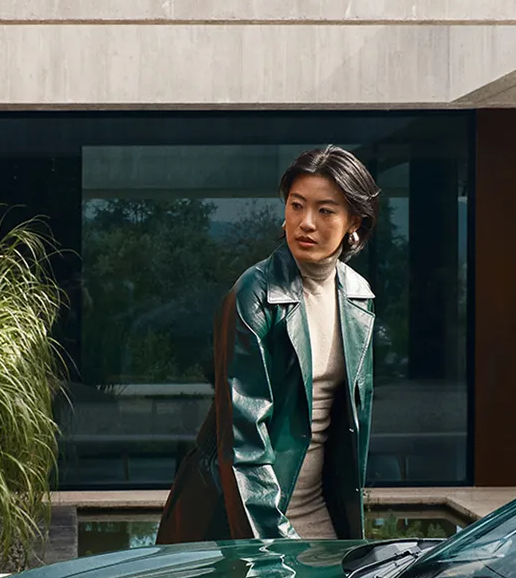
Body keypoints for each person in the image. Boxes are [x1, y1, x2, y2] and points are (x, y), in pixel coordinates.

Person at [157, 147, 380, 545]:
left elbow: (351, 431)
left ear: (354, 222)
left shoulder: (358, 297)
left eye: (325, 211)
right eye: (297, 205)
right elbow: (243, 441)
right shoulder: (254, 294)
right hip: (243, 517)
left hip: (319, 511)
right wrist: (272, 546)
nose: (306, 222)